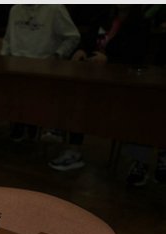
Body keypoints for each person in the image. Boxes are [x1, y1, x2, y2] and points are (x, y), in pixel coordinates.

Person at [48, 5, 158, 181]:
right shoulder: (101, 17)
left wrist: (110, 60)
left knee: (140, 110)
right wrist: (81, 50)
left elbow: (138, 56)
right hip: (93, 77)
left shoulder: (141, 24)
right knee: (76, 99)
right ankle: (73, 149)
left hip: (125, 83)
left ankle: (139, 162)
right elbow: (87, 40)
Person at [0, 5, 80, 142]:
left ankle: (33, 124)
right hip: (15, 67)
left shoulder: (55, 9)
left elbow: (73, 37)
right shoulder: (15, 9)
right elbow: (8, 39)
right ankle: (20, 123)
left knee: (37, 103)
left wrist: (57, 55)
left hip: (43, 68)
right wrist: (2, 59)